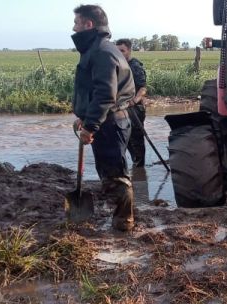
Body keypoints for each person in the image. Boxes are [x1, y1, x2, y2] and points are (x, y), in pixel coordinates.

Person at [71, 4, 136, 232]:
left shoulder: (101, 52)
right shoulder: (99, 48)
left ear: (89, 24)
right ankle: (122, 218)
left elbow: (104, 94)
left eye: (77, 23)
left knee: (115, 177)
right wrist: (85, 117)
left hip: (110, 123)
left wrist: (90, 126)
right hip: (108, 121)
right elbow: (93, 91)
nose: (74, 27)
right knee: (111, 173)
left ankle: (123, 225)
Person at [115, 38, 148, 168]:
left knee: (136, 138)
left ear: (129, 50)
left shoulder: (135, 66)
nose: (119, 53)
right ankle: (135, 163)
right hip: (121, 107)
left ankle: (140, 167)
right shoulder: (117, 66)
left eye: (122, 51)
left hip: (135, 108)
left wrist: (134, 100)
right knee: (124, 137)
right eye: (117, 51)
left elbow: (143, 88)